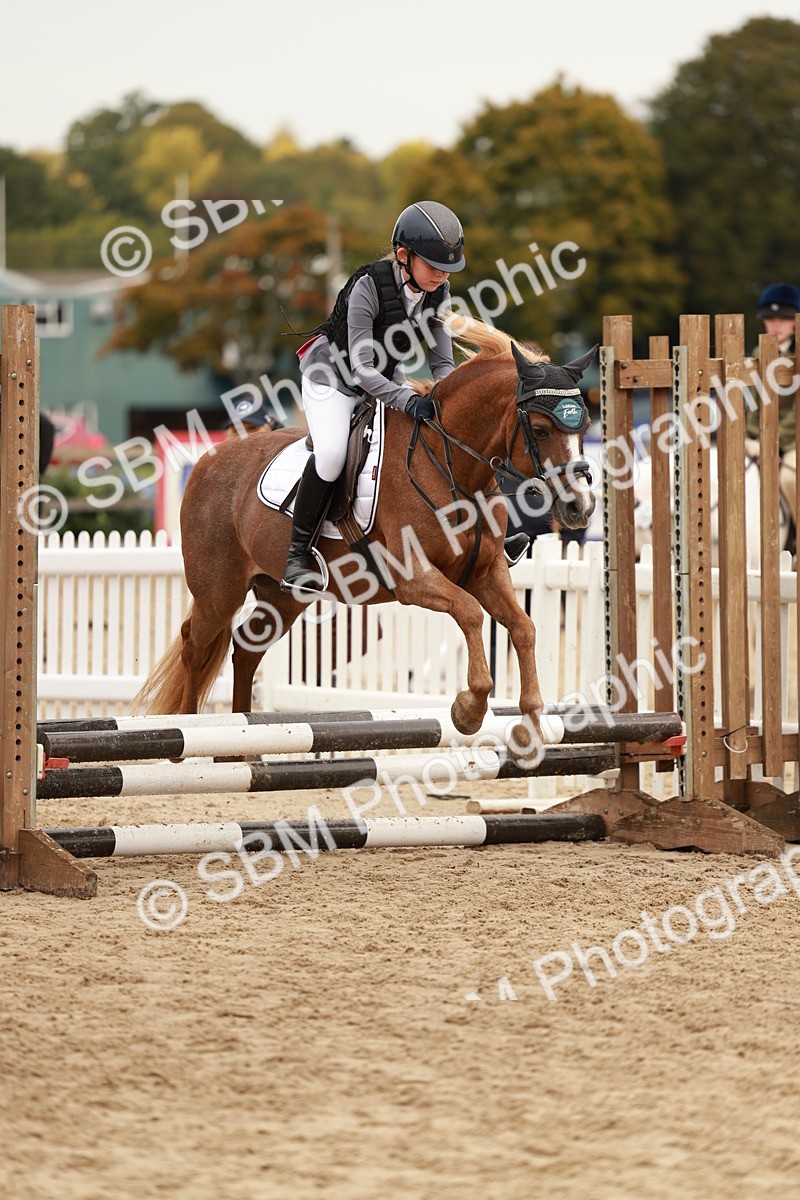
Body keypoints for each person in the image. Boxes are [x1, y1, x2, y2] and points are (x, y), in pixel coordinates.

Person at [283, 200, 466, 590]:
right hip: (331, 377)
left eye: (447, 268)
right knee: (332, 455)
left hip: (384, 376)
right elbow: (362, 369)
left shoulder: (439, 291)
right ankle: (297, 554)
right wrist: (406, 400)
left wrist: (448, 399)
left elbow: (442, 365)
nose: (441, 275)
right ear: (404, 255)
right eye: (433, 265)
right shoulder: (368, 285)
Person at [744, 282, 800, 525]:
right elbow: (750, 401)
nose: (776, 324)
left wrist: (772, 440)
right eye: (770, 318)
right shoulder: (757, 353)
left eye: (783, 318)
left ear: (795, 322)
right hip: (759, 440)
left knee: (790, 479)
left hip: (793, 441)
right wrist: (750, 437)